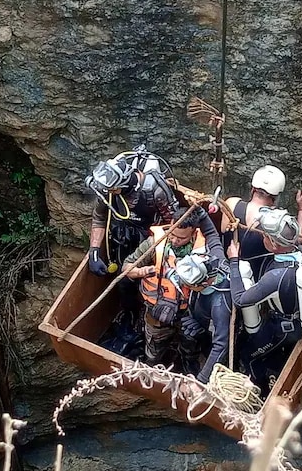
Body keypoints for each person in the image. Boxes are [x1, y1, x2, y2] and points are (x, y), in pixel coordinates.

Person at [227, 207, 302, 391]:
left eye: (266, 236)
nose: (263, 238)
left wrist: (234, 261)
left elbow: (240, 299)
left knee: (248, 353)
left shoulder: (275, 277)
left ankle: (261, 391)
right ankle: (275, 365)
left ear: (274, 244)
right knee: (270, 351)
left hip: (284, 328)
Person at [85, 147, 220, 275]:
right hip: (123, 239)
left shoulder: (156, 191)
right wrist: (94, 252)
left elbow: (173, 223)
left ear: (124, 184)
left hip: (151, 241)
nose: (110, 192)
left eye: (113, 190)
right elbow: (99, 218)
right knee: (124, 279)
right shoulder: (108, 190)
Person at [122, 211, 221, 370]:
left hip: (188, 316)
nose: (174, 240)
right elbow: (126, 267)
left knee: (190, 349)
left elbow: (215, 284)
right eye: (172, 234)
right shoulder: (154, 243)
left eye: (181, 238)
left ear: (194, 232)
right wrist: (140, 272)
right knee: (153, 352)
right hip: (157, 313)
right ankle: (151, 370)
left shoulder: (205, 251)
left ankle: (188, 367)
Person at [223, 165, 302, 274]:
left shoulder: (231, 203)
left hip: (226, 268)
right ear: (276, 197)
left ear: (253, 189)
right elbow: (297, 239)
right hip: (255, 277)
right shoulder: (274, 222)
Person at [170, 254, 233, 383]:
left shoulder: (219, 304)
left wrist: (202, 379)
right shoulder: (202, 283)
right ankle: (188, 368)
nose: (185, 287)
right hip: (202, 324)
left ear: (203, 283)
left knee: (213, 355)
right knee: (187, 334)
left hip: (215, 335)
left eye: (188, 285)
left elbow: (221, 345)